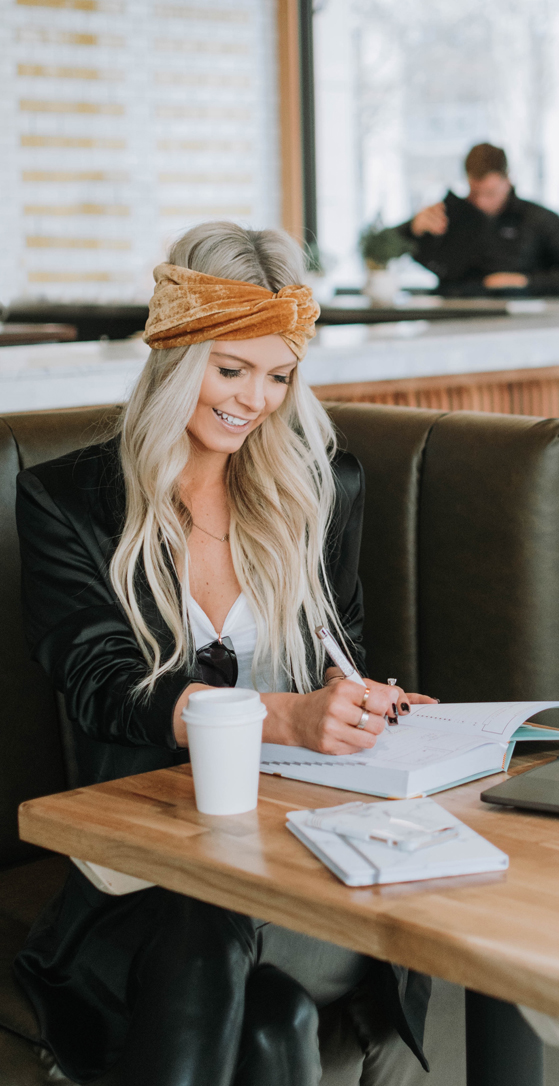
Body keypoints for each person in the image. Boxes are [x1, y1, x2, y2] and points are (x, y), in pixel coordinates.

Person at [14, 221, 437, 1086]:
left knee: (252, 982)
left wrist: (356, 698)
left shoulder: (321, 489)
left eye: (279, 375)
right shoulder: (70, 503)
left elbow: (340, 645)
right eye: (231, 368)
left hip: (299, 847)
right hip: (146, 859)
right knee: (257, 995)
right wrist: (283, 715)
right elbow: (99, 686)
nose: (254, 400)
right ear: (176, 357)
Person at [398, 142, 559, 297]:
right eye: (475, 193)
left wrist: (523, 281)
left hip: (521, 324)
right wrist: (411, 229)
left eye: (490, 193)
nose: (482, 202)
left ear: (508, 179)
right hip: (456, 317)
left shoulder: (539, 219)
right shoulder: (452, 216)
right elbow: (378, 247)